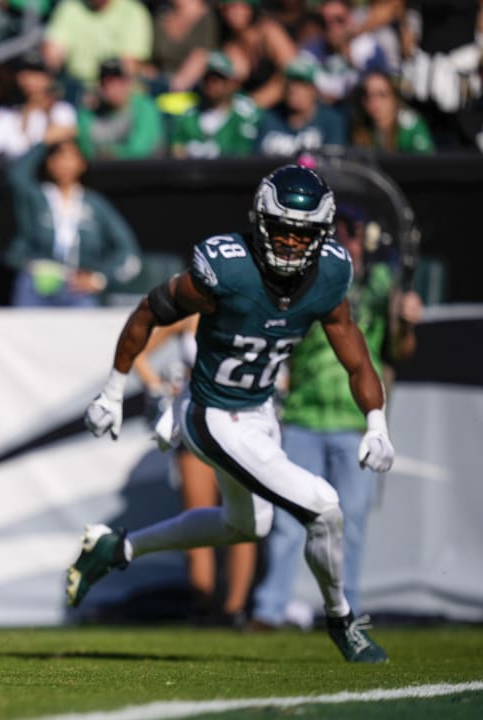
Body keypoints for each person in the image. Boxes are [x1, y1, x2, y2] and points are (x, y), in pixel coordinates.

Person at [73, 165, 393, 663]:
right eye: (281, 229)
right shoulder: (227, 265)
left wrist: (377, 422)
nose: (289, 243)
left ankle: (116, 549)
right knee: (324, 506)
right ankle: (344, 620)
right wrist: (113, 391)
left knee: (246, 527)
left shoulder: (330, 273)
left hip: (258, 409)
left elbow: (355, 354)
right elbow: (147, 313)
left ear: (321, 234)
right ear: (260, 222)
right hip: (211, 414)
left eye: (302, 233)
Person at [250, 204, 422, 629]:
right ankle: (270, 608)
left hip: (354, 421)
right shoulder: (312, 281)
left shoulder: (383, 285)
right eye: (343, 230)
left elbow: (399, 351)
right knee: (290, 519)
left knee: (353, 524)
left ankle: (348, 612)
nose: (351, 237)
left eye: (358, 230)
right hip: (304, 416)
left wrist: (406, 321)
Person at [132, 314, 256, 624]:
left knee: (245, 521)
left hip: (243, 422)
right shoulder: (192, 313)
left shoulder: (255, 304)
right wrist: (158, 387)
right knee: (196, 519)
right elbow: (137, 350)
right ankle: (203, 607)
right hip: (197, 422)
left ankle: (235, 610)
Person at [6, 131, 141, 307]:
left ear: (82, 164)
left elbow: (128, 250)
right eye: (58, 157)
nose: (65, 164)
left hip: (78, 287)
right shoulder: (36, 198)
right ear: (49, 163)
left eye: (71, 157)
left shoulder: (95, 204)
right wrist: (44, 143)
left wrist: (100, 278)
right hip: (36, 283)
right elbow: (15, 176)